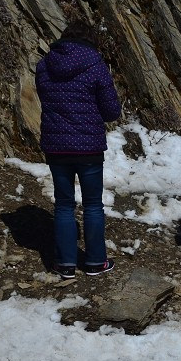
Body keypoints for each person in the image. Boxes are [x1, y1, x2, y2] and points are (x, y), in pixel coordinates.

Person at [35, 20, 121, 280]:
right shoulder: (95, 65)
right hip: (89, 147)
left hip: (56, 146)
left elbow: (45, 98)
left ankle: (65, 265)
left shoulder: (44, 65)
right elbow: (111, 111)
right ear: (90, 41)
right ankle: (95, 262)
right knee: (93, 205)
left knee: (63, 205)